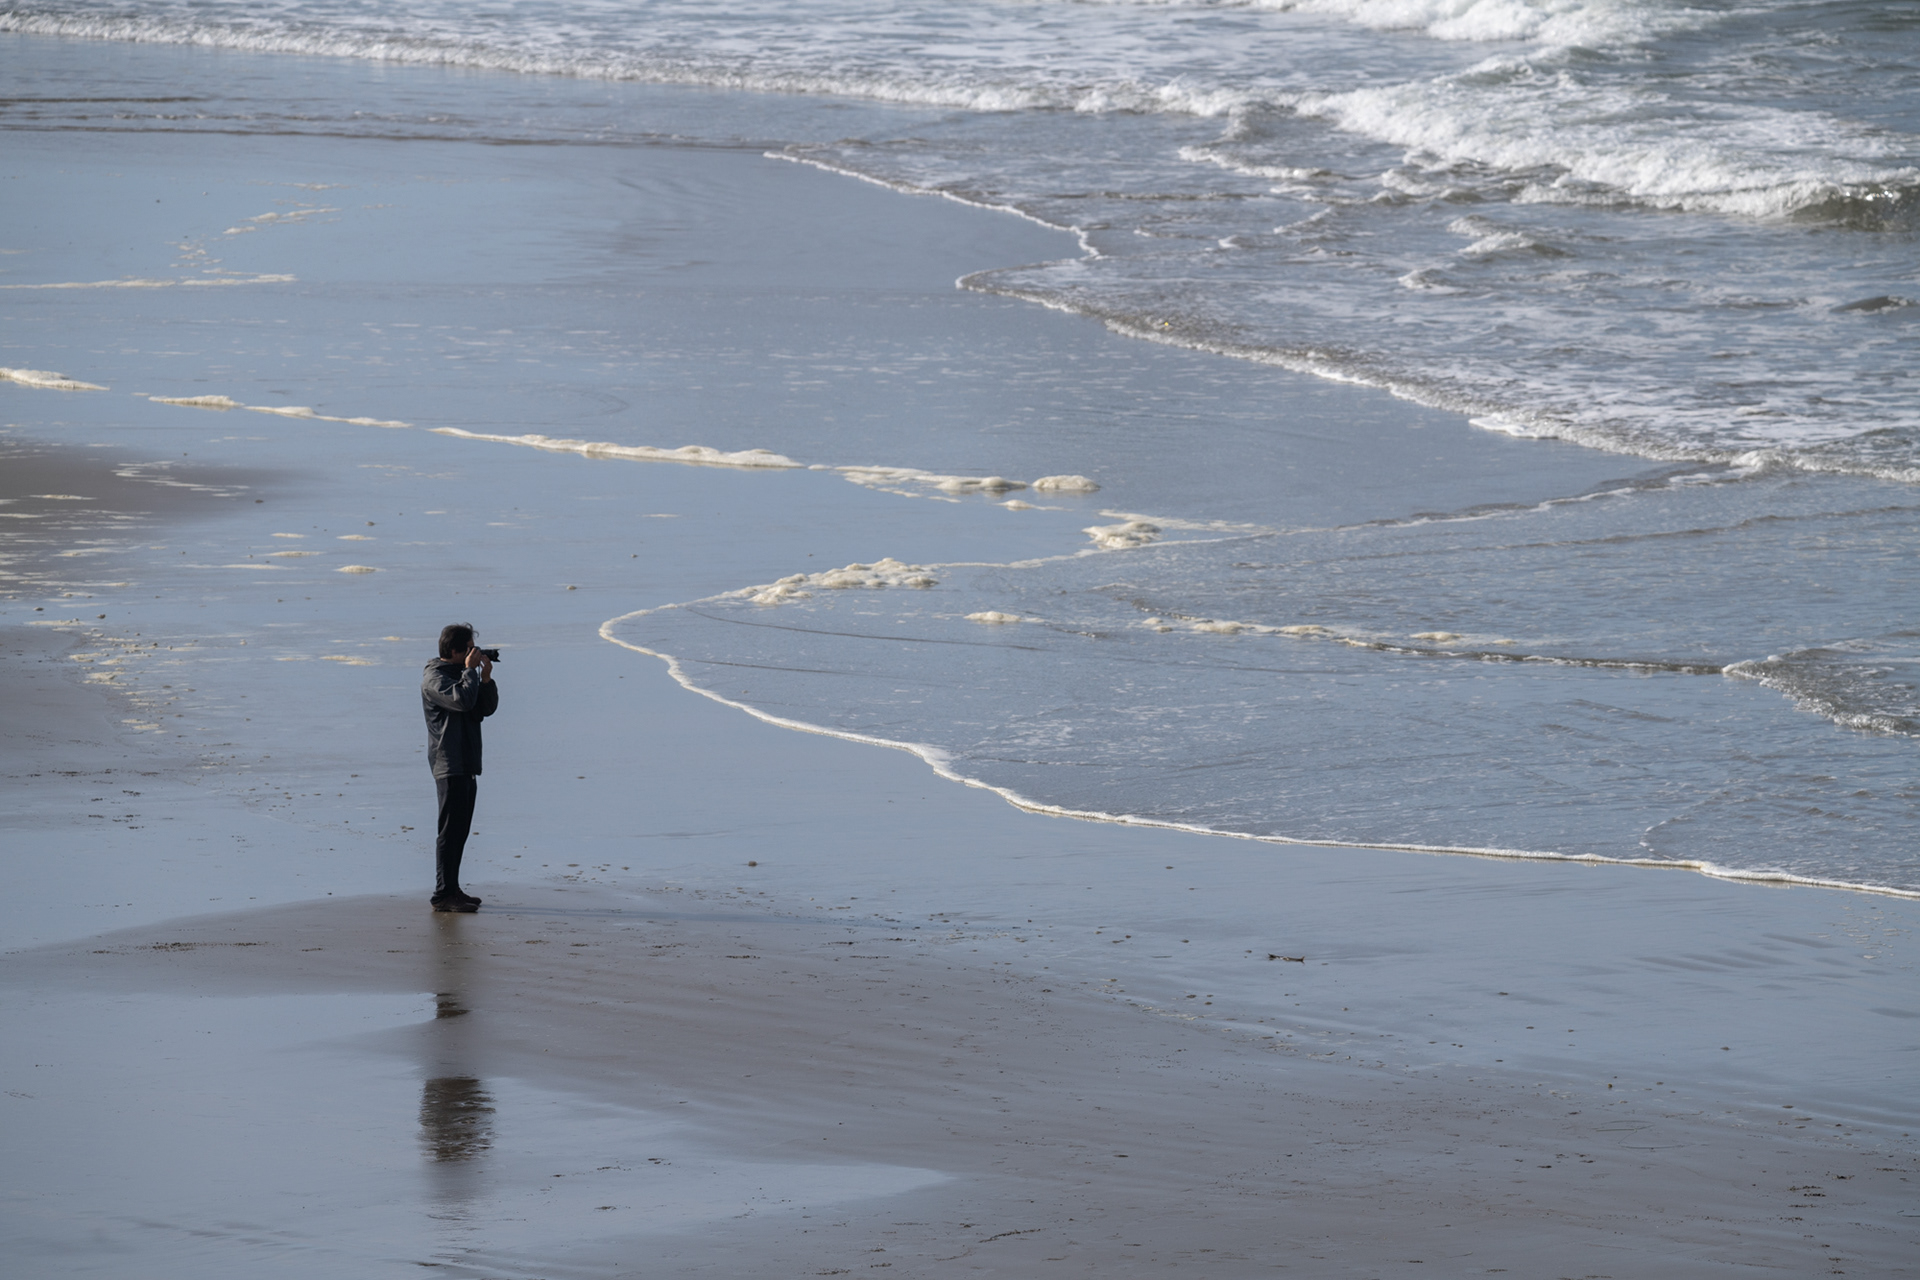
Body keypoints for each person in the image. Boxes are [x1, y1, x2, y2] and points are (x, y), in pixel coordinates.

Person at [421, 623, 499, 912]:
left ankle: (452, 889)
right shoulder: (435, 678)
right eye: (467, 650)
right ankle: (442, 895)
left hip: (466, 761)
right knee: (449, 831)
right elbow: (463, 702)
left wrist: (486, 678)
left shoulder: (461, 675)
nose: (472, 654)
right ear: (453, 651)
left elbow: (483, 709)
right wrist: (470, 672)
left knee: (461, 830)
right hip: (448, 762)